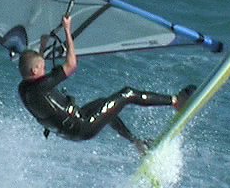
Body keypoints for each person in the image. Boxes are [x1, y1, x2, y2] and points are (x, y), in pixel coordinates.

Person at [18, 15, 195, 153]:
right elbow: (71, 65)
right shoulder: (42, 85)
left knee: (106, 104)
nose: (45, 67)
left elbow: (35, 67)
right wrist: (67, 30)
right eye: (42, 66)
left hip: (71, 127)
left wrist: (42, 47)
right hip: (82, 126)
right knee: (127, 93)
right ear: (35, 71)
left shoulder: (25, 89)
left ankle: (137, 143)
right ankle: (176, 101)